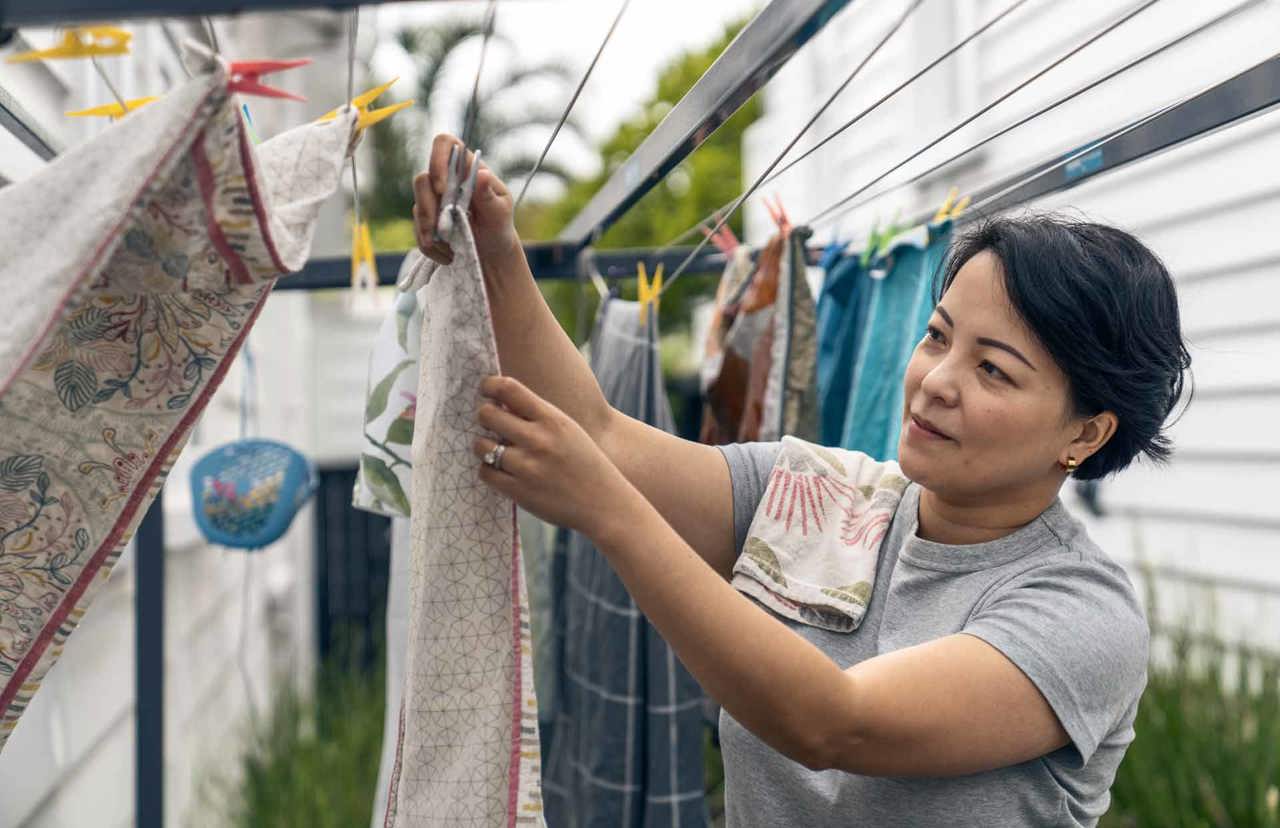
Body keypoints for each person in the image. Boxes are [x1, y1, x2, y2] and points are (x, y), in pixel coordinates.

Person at [410, 134, 1192, 827]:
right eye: (937, 336)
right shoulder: (815, 493)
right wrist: (497, 251)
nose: (935, 381)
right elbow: (600, 434)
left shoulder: (1081, 615)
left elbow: (835, 723)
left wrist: (610, 513)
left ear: (1085, 433)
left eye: (993, 369)